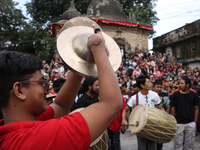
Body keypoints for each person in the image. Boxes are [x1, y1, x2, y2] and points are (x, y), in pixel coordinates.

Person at [0, 25, 122, 149]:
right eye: (41, 83)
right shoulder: (38, 138)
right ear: (19, 90)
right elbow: (111, 104)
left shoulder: (11, 132)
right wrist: (98, 47)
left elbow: (61, 105)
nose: (46, 89)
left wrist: (80, 61)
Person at [122, 75, 162, 150]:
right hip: (140, 128)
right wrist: (124, 120)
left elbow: (160, 108)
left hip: (153, 126)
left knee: (153, 148)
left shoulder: (154, 95)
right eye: (148, 82)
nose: (151, 84)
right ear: (142, 85)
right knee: (141, 148)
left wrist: (168, 118)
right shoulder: (135, 98)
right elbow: (125, 110)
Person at [171, 76, 199, 150]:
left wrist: (194, 123)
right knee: (178, 144)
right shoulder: (175, 94)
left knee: (189, 144)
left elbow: (196, 109)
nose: (179, 85)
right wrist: (173, 121)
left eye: (182, 83)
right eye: (179, 83)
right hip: (178, 123)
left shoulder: (194, 95)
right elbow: (173, 108)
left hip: (190, 123)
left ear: (187, 85)